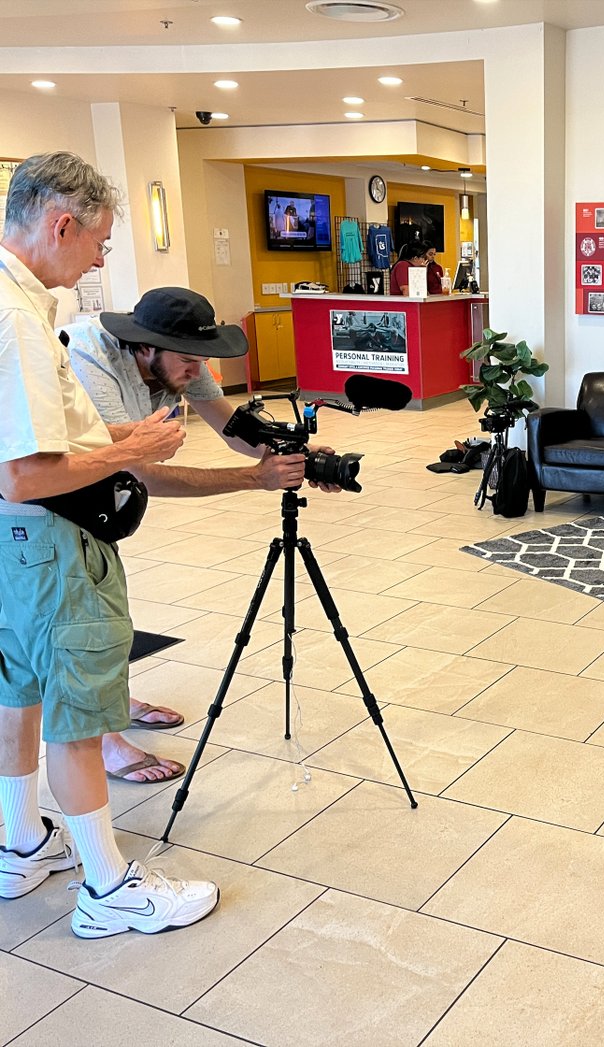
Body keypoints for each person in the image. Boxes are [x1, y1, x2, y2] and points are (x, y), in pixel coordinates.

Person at [0, 151, 219, 935]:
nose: (99, 261)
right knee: (77, 716)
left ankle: (22, 843)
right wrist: (136, 451)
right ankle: (108, 887)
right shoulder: (19, 320)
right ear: (61, 223)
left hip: (13, 550)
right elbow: (25, 474)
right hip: (53, 543)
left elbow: (38, 440)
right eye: (98, 242)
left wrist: (121, 436)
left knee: (18, 691)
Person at [61, 286, 342, 783]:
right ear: (146, 347)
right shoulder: (89, 360)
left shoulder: (178, 356)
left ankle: (114, 700)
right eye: (189, 362)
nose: (198, 371)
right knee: (79, 618)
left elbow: (233, 427)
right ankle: (104, 742)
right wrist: (254, 479)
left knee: (109, 605)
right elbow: (140, 472)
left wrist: (292, 451)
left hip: (95, 505)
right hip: (42, 500)